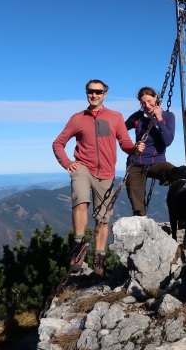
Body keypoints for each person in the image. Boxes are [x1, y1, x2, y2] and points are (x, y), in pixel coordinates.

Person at [52, 79, 144, 275]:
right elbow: (58, 144)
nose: (94, 95)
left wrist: (135, 149)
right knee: (80, 201)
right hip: (82, 168)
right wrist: (68, 163)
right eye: (90, 91)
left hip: (106, 173)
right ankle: (77, 252)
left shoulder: (115, 117)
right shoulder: (77, 118)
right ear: (87, 93)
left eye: (98, 92)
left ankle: (98, 261)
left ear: (105, 94)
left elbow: (125, 143)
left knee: (103, 218)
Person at [125, 86, 176, 216]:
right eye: (143, 103)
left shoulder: (168, 116)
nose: (147, 105)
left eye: (149, 101)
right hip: (136, 163)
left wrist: (159, 119)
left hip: (157, 162)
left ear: (156, 98)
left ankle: (182, 218)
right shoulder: (137, 117)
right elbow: (121, 131)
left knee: (178, 175)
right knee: (137, 205)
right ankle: (142, 225)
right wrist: (133, 146)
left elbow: (167, 141)